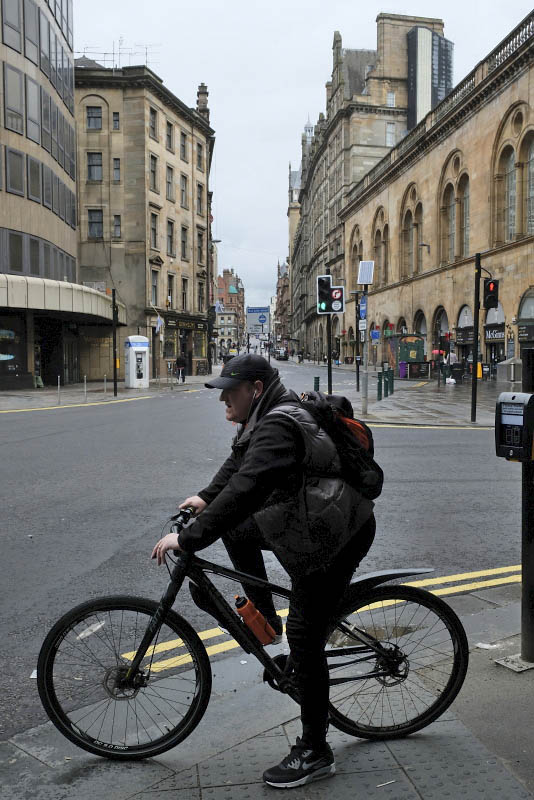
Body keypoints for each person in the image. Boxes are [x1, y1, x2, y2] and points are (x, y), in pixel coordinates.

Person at [152, 354, 376, 788]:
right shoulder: (264, 415)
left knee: (306, 635)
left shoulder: (276, 424)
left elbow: (247, 487)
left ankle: (315, 752)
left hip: (336, 536)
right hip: (311, 521)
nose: (223, 401)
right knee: (235, 532)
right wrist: (203, 497)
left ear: (254, 389)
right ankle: (265, 618)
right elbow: (237, 466)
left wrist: (190, 538)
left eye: (229, 392)